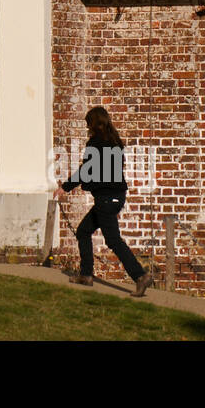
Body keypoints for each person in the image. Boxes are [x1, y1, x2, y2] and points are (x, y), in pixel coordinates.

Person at [55, 105, 153, 297]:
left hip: (105, 199)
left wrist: (64, 187)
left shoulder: (95, 144)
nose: (87, 128)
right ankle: (86, 275)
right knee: (83, 231)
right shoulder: (115, 142)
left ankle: (140, 276)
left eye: (87, 124)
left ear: (93, 124)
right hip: (115, 197)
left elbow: (86, 170)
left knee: (113, 240)